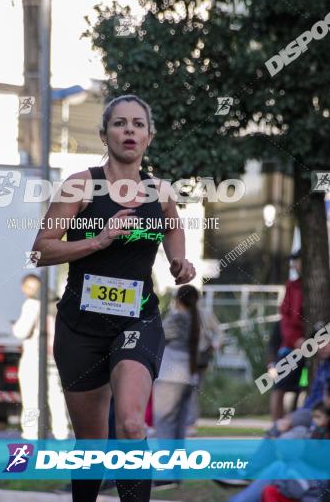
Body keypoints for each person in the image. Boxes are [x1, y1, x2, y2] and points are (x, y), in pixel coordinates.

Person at [31, 94, 196, 502]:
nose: (129, 131)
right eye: (120, 124)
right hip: (80, 327)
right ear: (104, 134)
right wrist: (98, 240)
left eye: (138, 124)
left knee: (130, 424)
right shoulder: (81, 185)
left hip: (136, 319)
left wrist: (179, 261)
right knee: (90, 445)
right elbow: (40, 250)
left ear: (149, 137)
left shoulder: (159, 191)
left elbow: (173, 228)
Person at [269, 250, 330, 423]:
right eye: (293, 262)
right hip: (292, 346)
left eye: (298, 261)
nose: (294, 265)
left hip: (318, 345)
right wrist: (297, 340)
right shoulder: (291, 287)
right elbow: (285, 318)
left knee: (313, 386)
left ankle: (310, 424)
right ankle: (276, 428)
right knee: (280, 387)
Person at [12, 273, 71, 440]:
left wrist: (15, 327)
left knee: (31, 398)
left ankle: (31, 434)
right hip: (54, 357)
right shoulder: (57, 303)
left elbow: (21, 331)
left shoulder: (32, 304)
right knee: (56, 396)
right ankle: (61, 432)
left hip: (34, 356)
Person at [153, 285, 201, 440]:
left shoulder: (178, 318)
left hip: (170, 378)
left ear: (178, 300)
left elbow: (157, 335)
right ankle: (176, 463)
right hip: (189, 376)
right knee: (179, 428)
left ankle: (166, 463)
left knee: (164, 424)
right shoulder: (198, 319)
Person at [185, 300, 221, 435]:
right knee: (188, 390)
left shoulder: (205, 314)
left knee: (193, 390)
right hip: (184, 358)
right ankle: (187, 422)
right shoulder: (180, 314)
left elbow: (217, 331)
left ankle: (190, 423)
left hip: (201, 358)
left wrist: (216, 343)